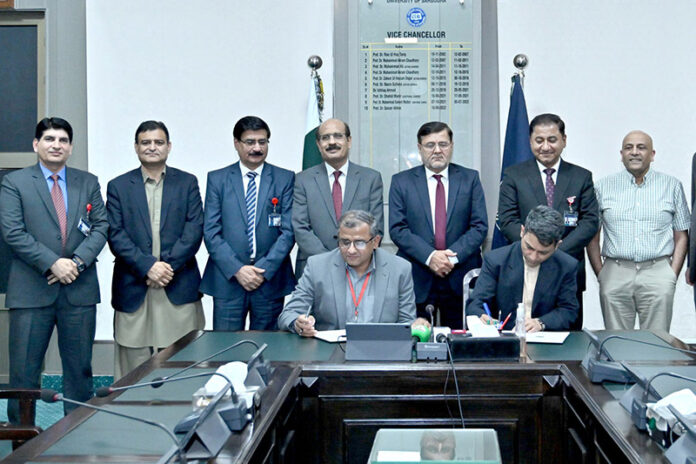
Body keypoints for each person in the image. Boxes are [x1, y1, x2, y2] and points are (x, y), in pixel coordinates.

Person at [0, 117, 108, 420]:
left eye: (62, 140)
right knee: (24, 373)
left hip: (79, 289)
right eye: (49, 139)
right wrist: (53, 263)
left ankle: (77, 438)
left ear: (71, 147)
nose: (56, 145)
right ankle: (22, 440)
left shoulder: (87, 182)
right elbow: (12, 232)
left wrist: (76, 262)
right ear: (36, 145)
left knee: (80, 372)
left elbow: (101, 226)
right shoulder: (15, 182)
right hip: (32, 291)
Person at [106, 120, 205, 379]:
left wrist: (166, 268)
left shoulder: (187, 182)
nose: (152, 147)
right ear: (136, 147)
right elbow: (115, 234)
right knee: (133, 365)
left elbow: (194, 230)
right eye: (146, 142)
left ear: (169, 146)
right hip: (135, 284)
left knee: (181, 361)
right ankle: (130, 415)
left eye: (159, 142)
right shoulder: (118, 186)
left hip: (177, 283)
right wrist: (148, 267)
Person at [497, 113, 598, 330]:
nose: (545, 146)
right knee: (521, 335)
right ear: (530, 141)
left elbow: (590, 221)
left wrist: (555, 252)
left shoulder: (581, 176)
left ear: (564, 140)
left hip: (568, 270)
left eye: (552, 140)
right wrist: (534, 248)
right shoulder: (514, 175)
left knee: (568, 340)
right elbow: (507, 220)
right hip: (524, 268)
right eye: (539, 140)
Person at [389, 121, 488, 329]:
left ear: (451, 146)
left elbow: (479, 226)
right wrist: (431, 256)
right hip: (418, 277)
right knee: (416, 344)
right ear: (419, 148)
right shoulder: (401, 181)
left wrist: (451, 257)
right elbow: (398, 229)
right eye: (430, 145)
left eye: (443, 144)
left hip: (460, 276)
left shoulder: (470, 179)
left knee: (461, 347)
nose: (437, 150)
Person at [587, 130, 689, 331]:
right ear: (621, 154)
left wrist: (671, 274)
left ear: (652, 154)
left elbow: (682, 235)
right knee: (616, 345)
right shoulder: (602, 187)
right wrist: (602, 274)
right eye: (628, 147)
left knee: (656, 345)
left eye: (641, 147)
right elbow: (593, 236)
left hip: (657, 272)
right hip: (615, 272)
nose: (634, 152)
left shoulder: (671, 186)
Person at [200, 116, 295, 330]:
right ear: (236, 143)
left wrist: (262, 270)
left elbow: (288, 232)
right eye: (250, 142)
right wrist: (238, 270)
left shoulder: (284, 178)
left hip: (269, 280)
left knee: (269, 352)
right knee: (226, 350)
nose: (257, 148)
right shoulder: (218, 179)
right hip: (229, 280)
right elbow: (211, 231)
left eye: (263, 142)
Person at [278, 210, 427, 336]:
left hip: (381, 353)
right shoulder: (317, 266)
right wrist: (298, 323)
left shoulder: (400, 269)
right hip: (330, 355)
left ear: (375, 242)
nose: (351, 250)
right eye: (345, 242)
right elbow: (289, 314)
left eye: (359, 242)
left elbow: (406, 322)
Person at [292, 118, 384, 277]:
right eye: (325, 138)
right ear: (318, 145)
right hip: (314, 267)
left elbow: (375, 227)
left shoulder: (371, 178)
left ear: (349, 141)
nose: (331, 142)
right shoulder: (302, 180)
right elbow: (300, 227)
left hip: (359, 268)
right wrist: (328, 260)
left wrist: (351, 256)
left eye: (338, 136)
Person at [467, 206, 579, 332]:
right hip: (505, 338)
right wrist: (483, 317)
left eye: (543, 253)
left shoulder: (566, 266)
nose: (533, 257)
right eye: (529, 247)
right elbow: (475, 304)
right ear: (522, 231)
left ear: (557, 245)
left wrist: (540, 323)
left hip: (544, 339)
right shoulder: (496, 260)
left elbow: (568, 311)